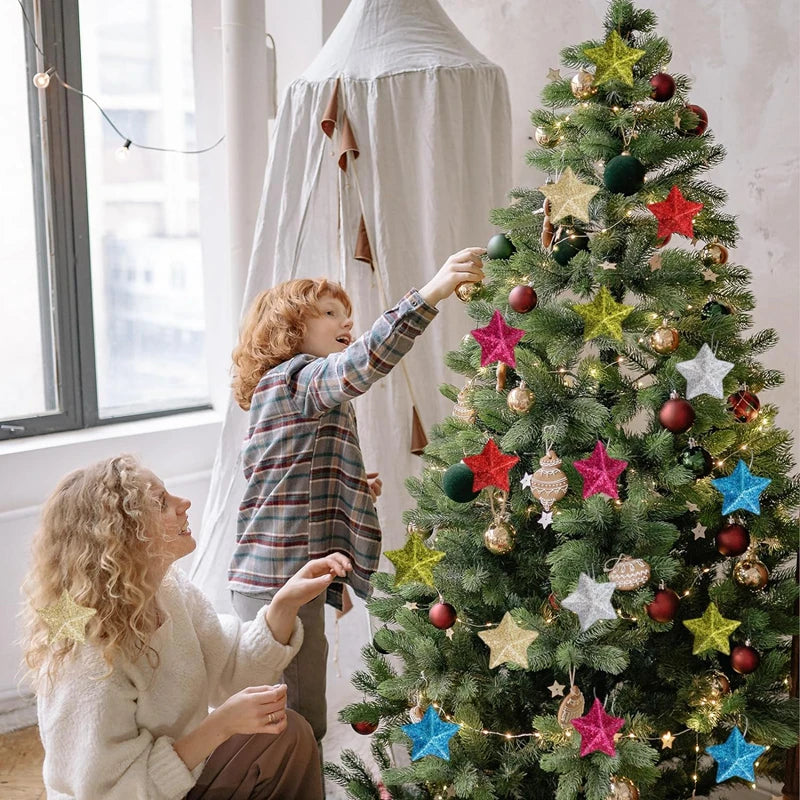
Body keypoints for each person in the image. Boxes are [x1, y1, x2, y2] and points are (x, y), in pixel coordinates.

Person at [229, 248, 486, 743]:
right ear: (288, 328)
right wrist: (429, 293)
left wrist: (349, 487)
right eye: (328, 312)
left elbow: (288, 476)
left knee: (298, 715)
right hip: (276, 581)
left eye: (346, 312)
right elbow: (361, 364)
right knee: (294, 724)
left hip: (284, 575)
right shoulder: (294, 379)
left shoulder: (294, 392)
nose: (346, 320)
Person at [22, 454, 351, 800]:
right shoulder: (84, 649)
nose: (184, 504)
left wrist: (284, 605)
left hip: (180, 779)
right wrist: (219, 726)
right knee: (280, 735)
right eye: (162, 503)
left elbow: (232, 672)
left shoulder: (167, 590)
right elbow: (109, 792)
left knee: (288, 731)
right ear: (125, 534)